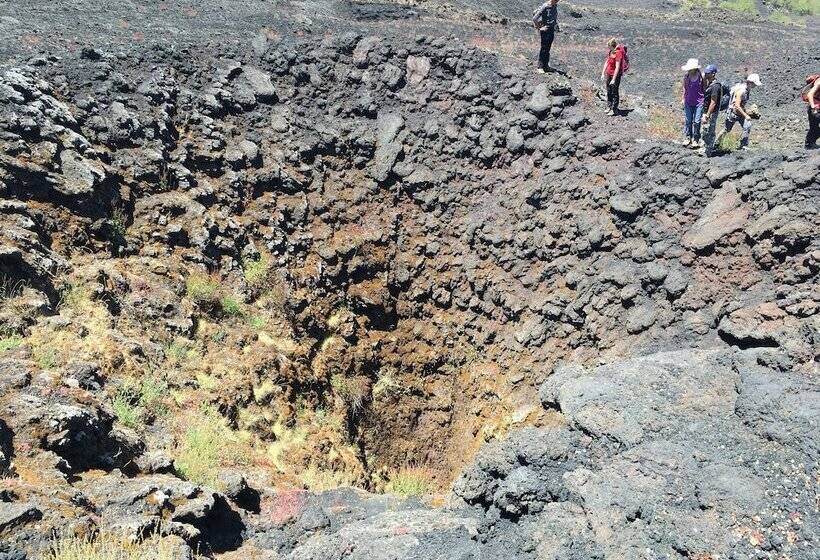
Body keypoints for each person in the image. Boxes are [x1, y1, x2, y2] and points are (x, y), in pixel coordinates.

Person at [717, 73, 761, 151]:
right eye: (754, 84)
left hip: (739, 113)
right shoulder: (741, 91)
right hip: (733, 114)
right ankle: (716, 143)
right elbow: (737, 106)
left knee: (747, 126)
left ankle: (743, 146)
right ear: (750, 82)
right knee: (727, 129)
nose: (755, 86)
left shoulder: (747, 90)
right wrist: (746, 115)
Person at [681, 59, 705, 147]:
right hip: (688, 101)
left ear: (695, 68)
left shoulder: (701, 76)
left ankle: (696, 139)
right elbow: (685, 88)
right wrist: (683, 98)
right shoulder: (686, 76)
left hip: (699, 102)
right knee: (688, 120)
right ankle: (688, 137)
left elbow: (704, 88)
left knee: (697, 121)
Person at [533, 0, 560, 74]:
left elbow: (554, 16)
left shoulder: (554, 5)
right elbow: (535, 18)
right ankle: (540, 67)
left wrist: (556, 25)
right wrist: (540, 28)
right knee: (544, 48)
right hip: (545, 30)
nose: (557, 2)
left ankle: (546, 66)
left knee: (548, 48)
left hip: (551, 29)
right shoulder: (545, 6)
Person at [700, 64, 722, 156]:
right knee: (705, 130)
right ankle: (704, 148)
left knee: (709, 131)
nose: (705, 74)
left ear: (713, 74)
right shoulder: (710, 84)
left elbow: (713, 102)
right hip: (707, 111)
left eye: (707, 73)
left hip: (711, 112)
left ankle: (708, 151)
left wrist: (707, 115)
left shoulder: (715, 86)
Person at [601, 38, 624, 116]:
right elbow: (607, 62)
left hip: (615, 76)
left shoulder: (618, 53)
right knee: (608, 90)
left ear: (612, 46)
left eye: (609, 46)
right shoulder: (610, 52)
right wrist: (603, 73)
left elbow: (617, 67)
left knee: (614, 92)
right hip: (609, 73)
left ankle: (614, 109)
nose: (608, 48)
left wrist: (614, 79)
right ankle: (609, 106)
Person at [804, 74, 820, 149]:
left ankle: (809, 144)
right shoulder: (819, 82)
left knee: (814, 128)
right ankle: (809, 144)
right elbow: (810, 94)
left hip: (815, 108)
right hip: (815, 109)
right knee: (814, 128)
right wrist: (814, 109)